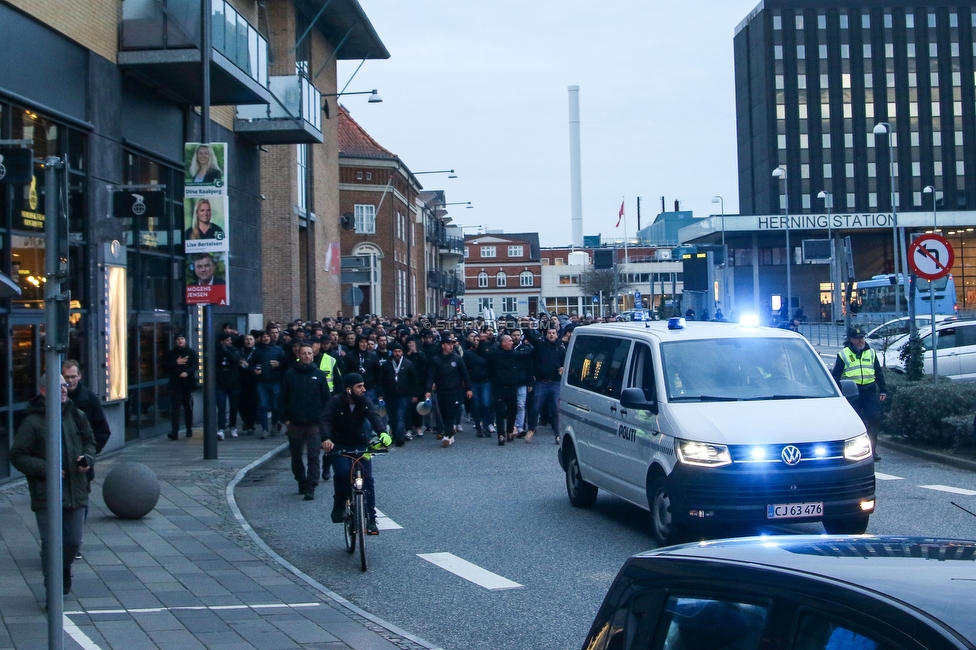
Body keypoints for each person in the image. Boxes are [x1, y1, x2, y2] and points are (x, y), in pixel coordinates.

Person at [11, 375, 96, 597]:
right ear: (44, 391)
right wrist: (44, 468)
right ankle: (53, 593)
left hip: (75, 489)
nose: (64, 390)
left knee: (73, 541)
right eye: (58, 387)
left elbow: (90, 442)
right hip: (46, 493)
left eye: (65, 386)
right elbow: (18, 455)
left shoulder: (77, 416)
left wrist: (87, 459)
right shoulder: (32, 422)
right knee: (51, 544)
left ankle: (64, 568)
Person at [320, 374, 391, 535]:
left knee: (368, 479)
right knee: (343, 473)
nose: (363, 389)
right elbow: (325, 420)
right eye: (359, 386)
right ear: (348, 389)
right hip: (339, 445)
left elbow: (374, 416)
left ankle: (372, 520)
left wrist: (382, 433)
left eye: (363, 385)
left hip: (360, 443)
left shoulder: (364, 402)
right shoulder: (335, 402)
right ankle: (339, 506)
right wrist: (326, 439)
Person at [279, 343, 332, 501]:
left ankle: (311, 485)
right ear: (299, 355)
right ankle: (301, 480)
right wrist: (285, 420)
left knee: (313, 455)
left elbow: (326, 400)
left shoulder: (319, 375)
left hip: (314, 423)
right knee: (296, 456)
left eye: (309, 353)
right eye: (304, 353)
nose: (307, 356)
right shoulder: (289, 375)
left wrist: (325, 420)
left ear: (313, 355)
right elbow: (282, 398)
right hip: (295, 422)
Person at [832, 326, 887, 461]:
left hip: (870, 391)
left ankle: (872, 451)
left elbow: (878, 373)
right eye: (857, 339)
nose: (860, 341)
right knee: (854, 424)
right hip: (852, 393)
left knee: (874, 419)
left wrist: (883, 390)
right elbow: (836, 376)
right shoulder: (844, 354)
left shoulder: (871, 353)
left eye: (861, 338)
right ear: (851, 340)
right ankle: (854, 452)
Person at [425, 332, 472, 448]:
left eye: (452, 344)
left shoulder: (457, 359)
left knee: (451, 412)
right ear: (442, 345)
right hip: (441, 390)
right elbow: (431, 375)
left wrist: (468, 388)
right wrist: (428, 389)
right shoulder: (436, 360)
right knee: (443, 413)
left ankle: (447, 434)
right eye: (448, 344)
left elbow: (465, 374)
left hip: (455, 390)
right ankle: (449, 433)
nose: (451, 346)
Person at [525, 326, 567, 444]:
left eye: (553, 333)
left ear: (557, 334)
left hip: (555, 383)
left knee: (555, 409)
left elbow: (565, 363)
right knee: (536, 407)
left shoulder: (561, 348)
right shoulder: (540, 345)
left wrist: (563, 368)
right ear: (546, 334)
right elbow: (530, 337)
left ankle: (557, 434)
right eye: (549, 333)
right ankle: (531, 429)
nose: (551, 335)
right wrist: (525, 326)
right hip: (541, 382)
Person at [377, 342, 419, 446]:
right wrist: (381, 394)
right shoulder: (386, 364)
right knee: (392, 418)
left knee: (400, 416)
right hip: (389, 395)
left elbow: (414, 379)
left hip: (403, 395)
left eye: (399, 351)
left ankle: (400, 437)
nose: (397, 353)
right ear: (392, 352)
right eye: (395, 351)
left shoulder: (408, 364)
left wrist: (415, 394)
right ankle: (395, 435)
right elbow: (381, 380)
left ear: (402, 352)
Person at [164, 334, 198, 439]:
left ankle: (189, 429)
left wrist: (187, 372)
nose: (180, 341)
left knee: (188, 407)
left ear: (185, 340)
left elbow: (195, 365)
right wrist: (176, 362)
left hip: (187, 384)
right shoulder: (171, 353)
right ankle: (175, 432)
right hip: (175, 384)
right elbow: (165, 366)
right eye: (178, 339)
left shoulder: (191, 352)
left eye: (182, 338)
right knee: (175, 408)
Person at [255, 330, 285, 439]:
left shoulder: (278, 349)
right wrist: (254, 370)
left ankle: (274, 424)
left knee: (275, 406)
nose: (266, 338)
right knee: (263, 406)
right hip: (262, 382)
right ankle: (264, 429)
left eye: (268, 336)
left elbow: (284, 363)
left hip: (275, 381)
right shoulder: (257, 351)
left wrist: (279, 364)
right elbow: (251, 364)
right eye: (264, 337)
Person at [216, 332, 241, 439]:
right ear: (222, 341)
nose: (230, 342)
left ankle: (232, 426)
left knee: (233, 406)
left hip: (233, 382)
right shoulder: (216, 351)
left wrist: (226, 351)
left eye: (230, 340)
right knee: (221, 406)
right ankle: (221, 428)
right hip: (220, 383)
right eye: (227, 340)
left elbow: (236, 360)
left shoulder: (234, 350)